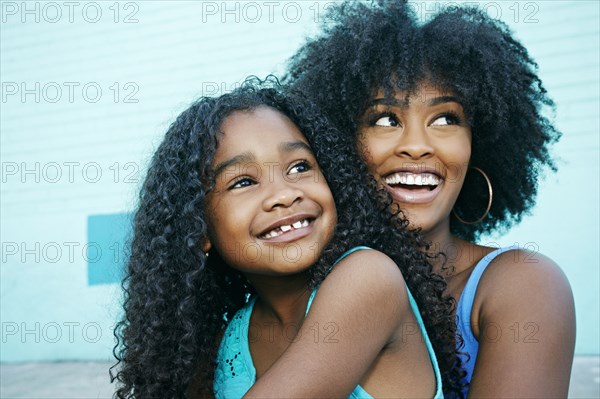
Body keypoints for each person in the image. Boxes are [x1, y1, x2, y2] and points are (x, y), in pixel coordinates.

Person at [285, 1, 576, 397]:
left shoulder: (523, 283)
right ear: (340, 144)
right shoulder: (307, 292)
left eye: (446, 119)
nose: (417, 146)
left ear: (480, 144)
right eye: (386, 119)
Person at [111, 79, 464, 398]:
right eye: (244, 182)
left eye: (299, 167)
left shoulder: (368, 278)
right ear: (199, 231)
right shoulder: (229, 340)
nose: (284, 194)